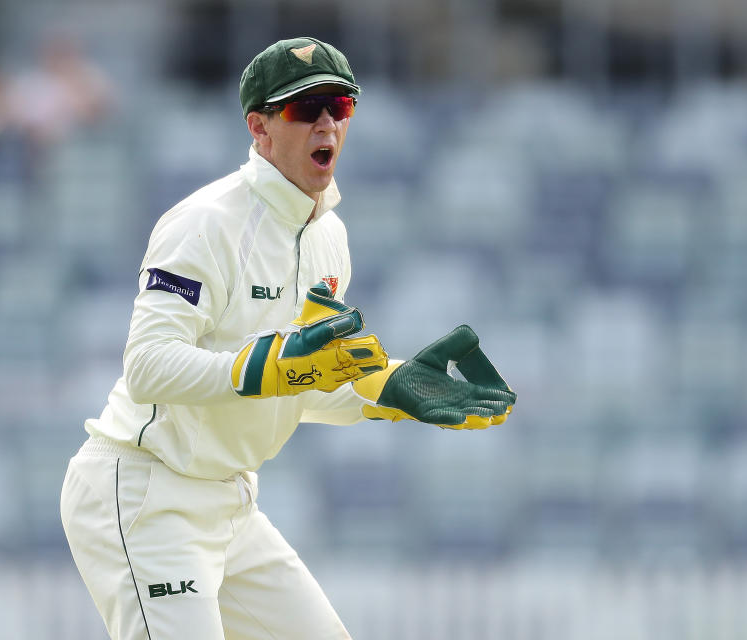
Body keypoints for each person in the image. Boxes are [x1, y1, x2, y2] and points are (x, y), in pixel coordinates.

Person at [60, 36, 516, 640]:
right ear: (260, 127)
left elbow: (299, 384)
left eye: (339, 106)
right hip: (147, 491)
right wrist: (271, 365)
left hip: (230, 502)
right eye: (306, 109)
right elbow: (148, 367)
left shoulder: (329, 239)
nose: (326, 121)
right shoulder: (205, 224)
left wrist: (393, 390)